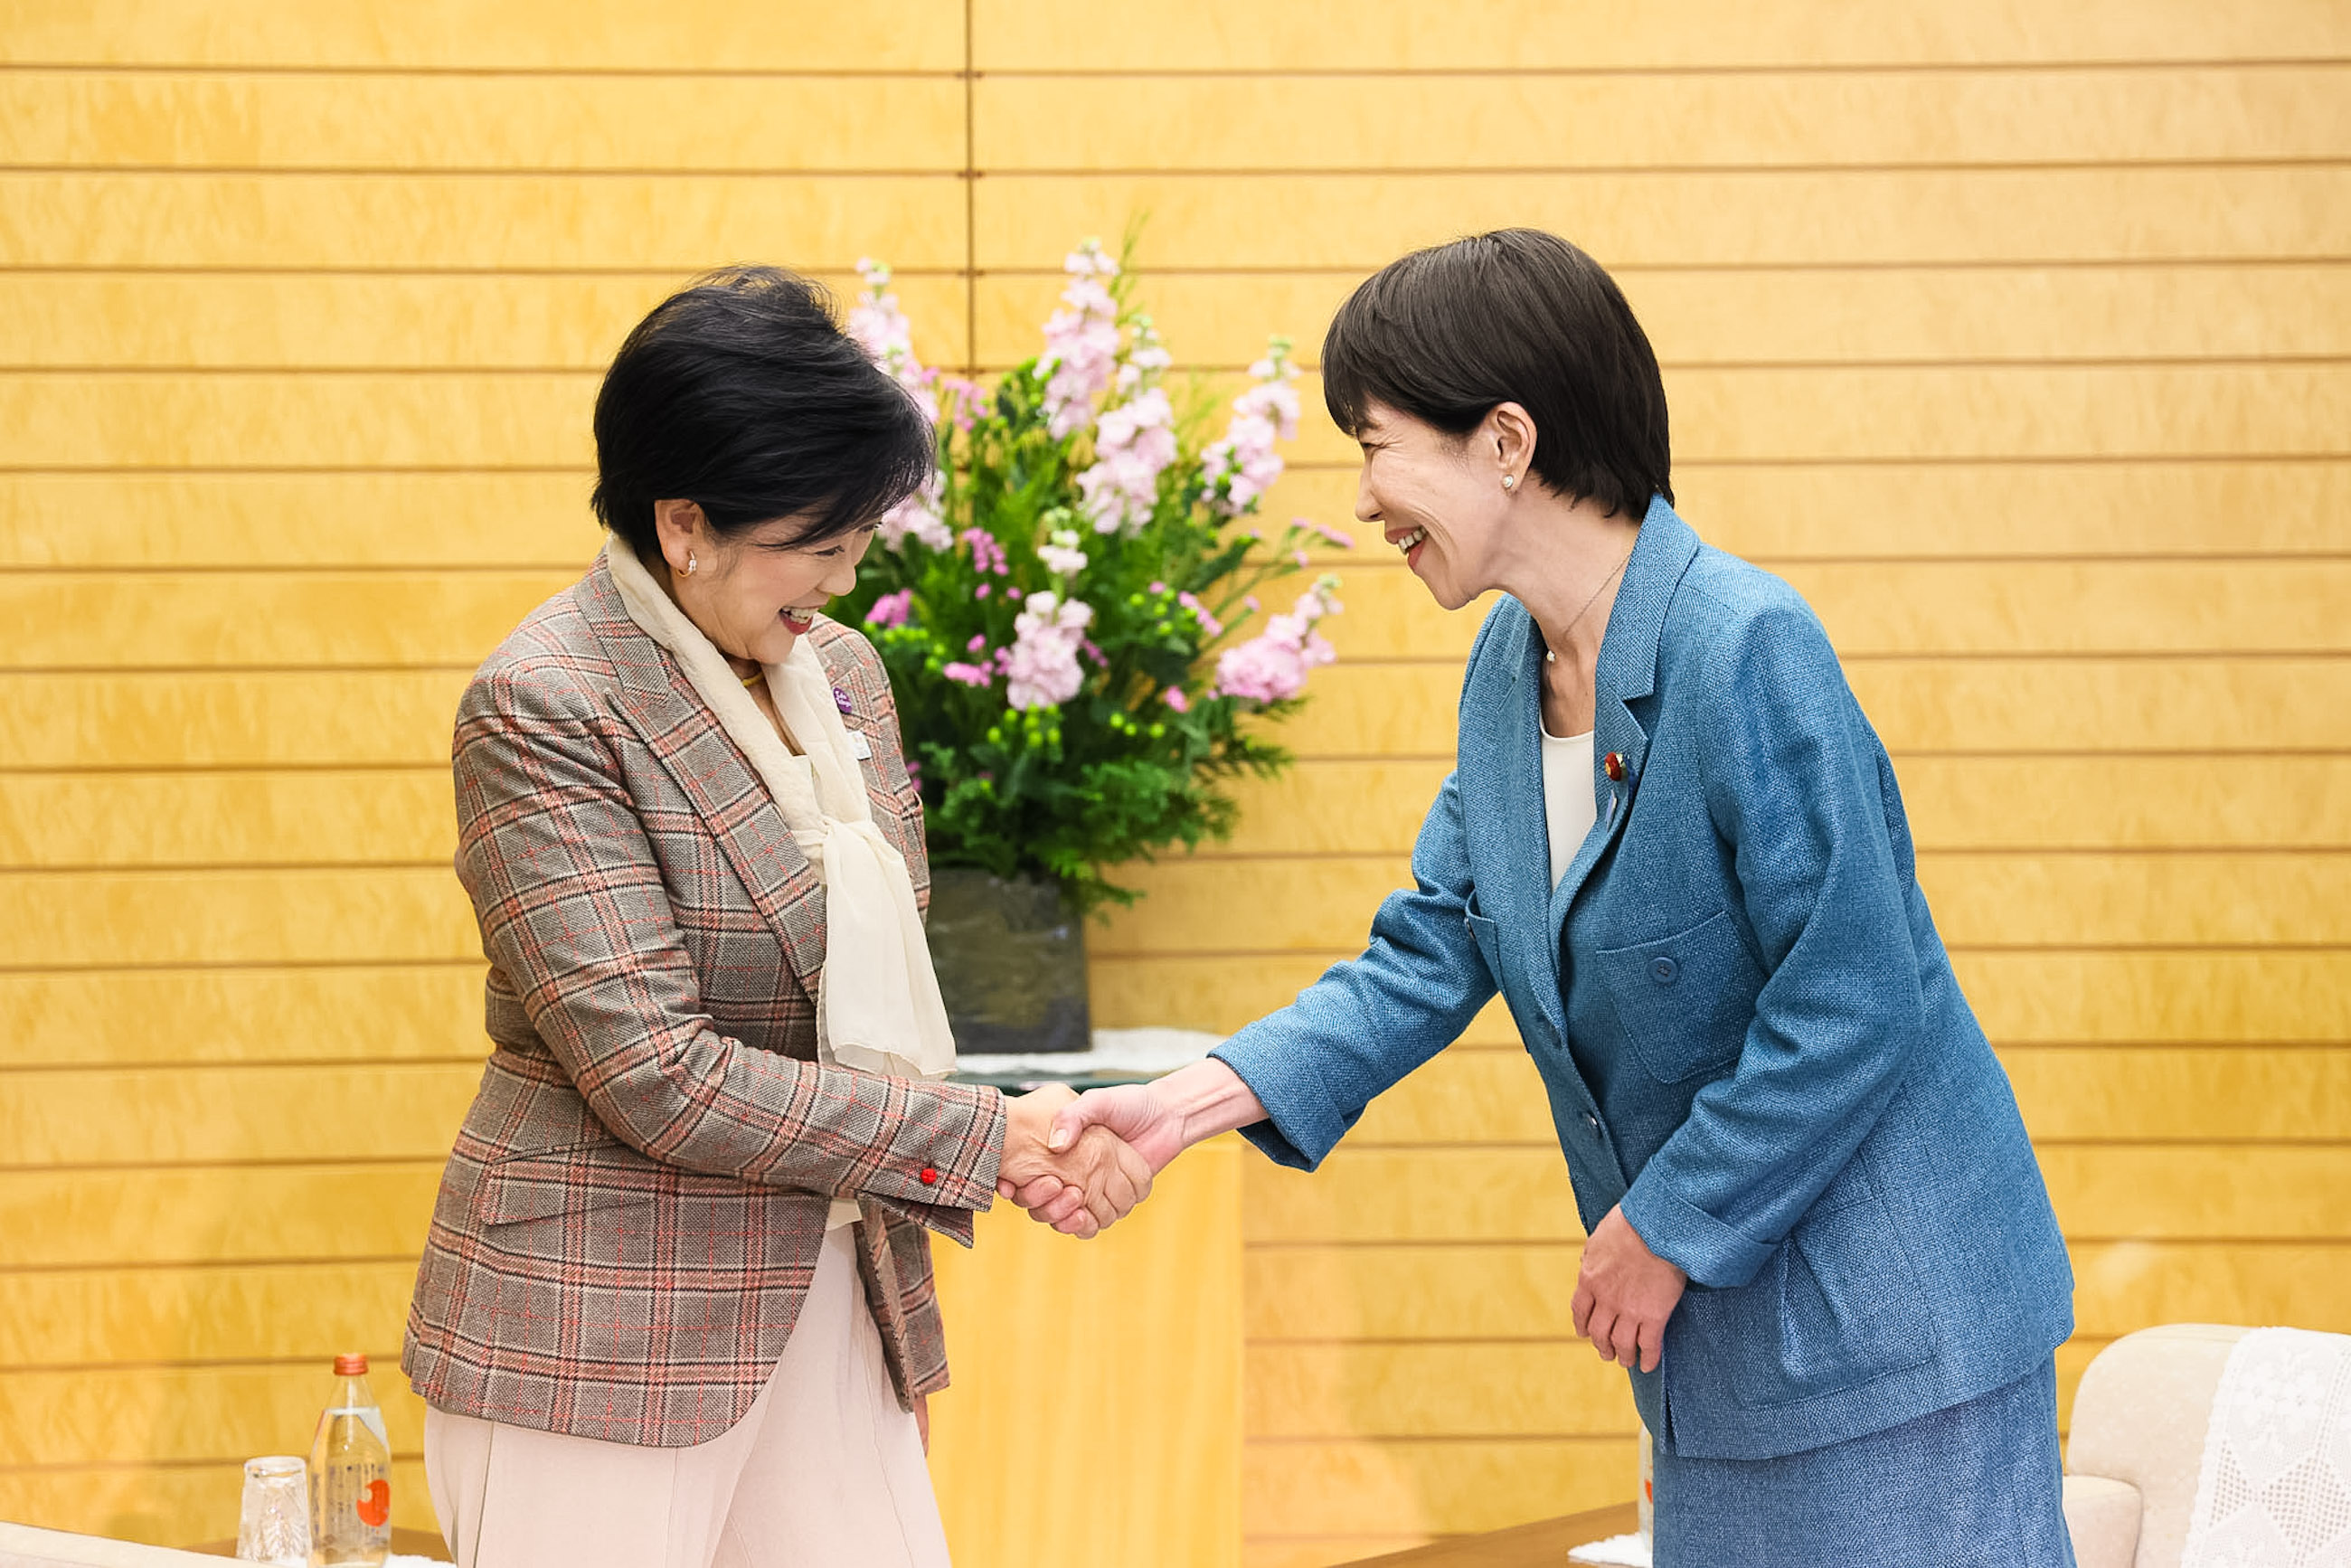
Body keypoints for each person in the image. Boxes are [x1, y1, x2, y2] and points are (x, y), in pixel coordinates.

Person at [1026, 230, 2079, 1563]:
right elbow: (1424, 954)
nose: (1366, 502)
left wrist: (1668, 1222)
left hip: (1893, 1336)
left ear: (1507, 442)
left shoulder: (1745, 647)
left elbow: (1855, 998)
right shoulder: (1504, 676)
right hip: (1721, 1357)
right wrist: (1180, 1107)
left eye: (1375, 446)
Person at [402, 266, 1149, 1568]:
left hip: (838, 1293)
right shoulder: (546, 704)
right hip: (602, 1331)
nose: (844, 581)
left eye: (860, 540)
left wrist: (898, 1323)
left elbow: (863, 1011)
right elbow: (657, 1074)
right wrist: (986, 1137)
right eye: (818, 544)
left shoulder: (843, 675)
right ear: (684, 524)